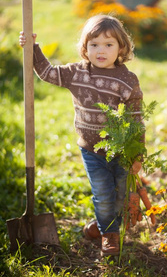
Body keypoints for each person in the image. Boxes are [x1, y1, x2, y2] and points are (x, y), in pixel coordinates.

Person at [19, 14, 144, 257]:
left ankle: (100, 226)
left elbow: (136, 118)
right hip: (90, 150)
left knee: (120, 195)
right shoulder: (77, 73)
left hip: (120, 151)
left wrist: (137, 153)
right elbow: (47, 73)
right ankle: (110, 235)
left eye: (109, 45)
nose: (101, 50)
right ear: (85, 47)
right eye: (94, 44)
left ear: (121, 48)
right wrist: (31, 48)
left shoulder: (126, 80)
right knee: (103, 194)